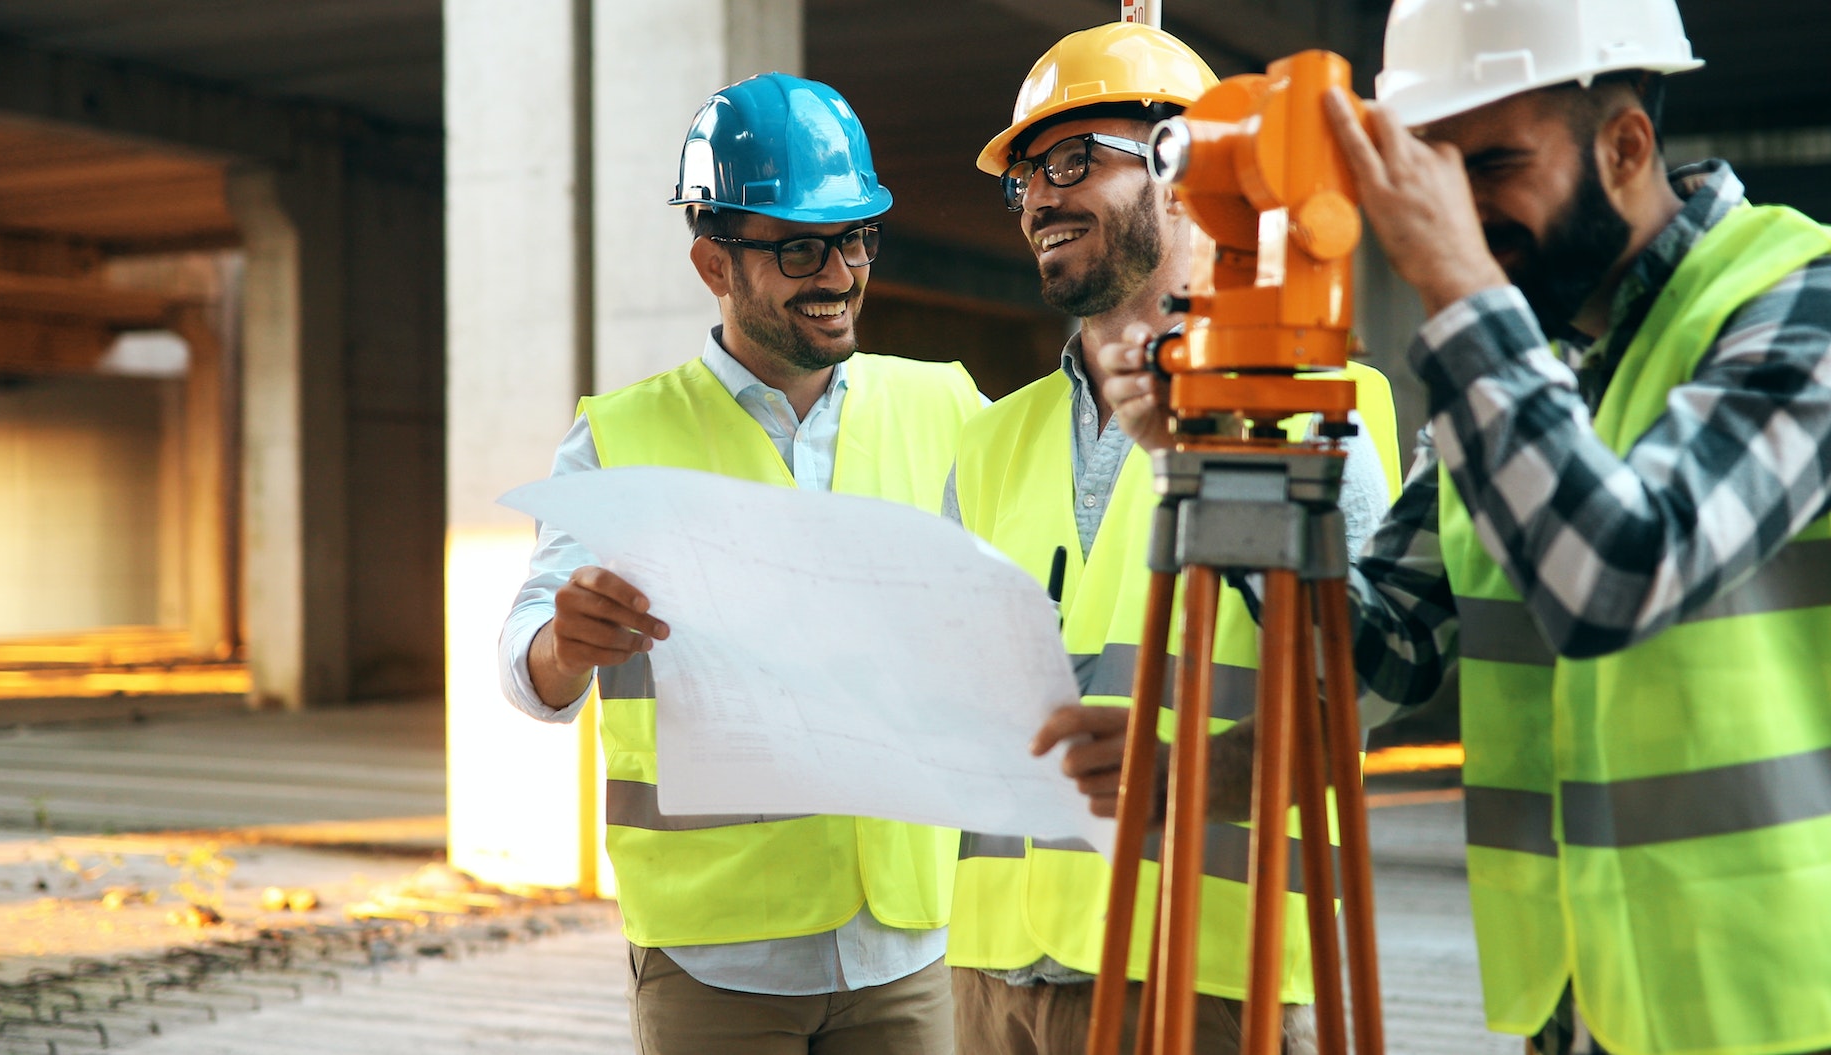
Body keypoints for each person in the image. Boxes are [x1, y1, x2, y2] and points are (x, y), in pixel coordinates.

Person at [1093, 1, 1831, 1052]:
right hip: (1584, 1006)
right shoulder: (1517, 366)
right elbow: (1380, 651)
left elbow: (1617, 573)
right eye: (1430, 171)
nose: (1454, 215)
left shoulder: (1791, 306)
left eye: (1489, 167)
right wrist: (1201, 460)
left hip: (1783, 1001)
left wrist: (1459, 291)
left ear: (1624, 144)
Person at [497, 72, 983, 1055]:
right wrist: (567, 642)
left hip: (909, 944)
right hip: (717, 960)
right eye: (801, 247)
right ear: (711, 263)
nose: (839, 274)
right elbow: (526, 668)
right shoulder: (617, 438)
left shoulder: (948, 408)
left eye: (854, 240)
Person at [942, 23, 1400, 1055]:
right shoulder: (990, 440)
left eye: (1068, 160)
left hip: (1198, 967)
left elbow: (1366, 679)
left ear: (1180, 168)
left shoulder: (1306, 404)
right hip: (990, 974)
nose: (1039, 199)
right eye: (1021, 178)